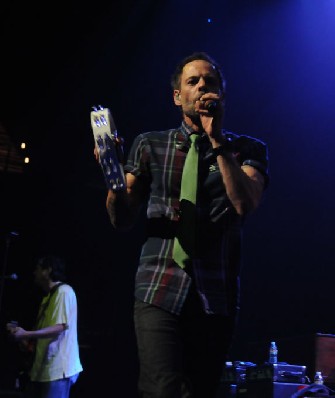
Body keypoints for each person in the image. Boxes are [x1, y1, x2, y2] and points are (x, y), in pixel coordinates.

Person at [100, 51, 269, 397]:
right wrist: (113, 175)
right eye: (193, 81)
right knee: (162, 390)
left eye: (211, 81)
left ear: (222, 94)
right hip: (158, 286)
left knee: (201, 390)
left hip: (216, 291)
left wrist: (217, 140)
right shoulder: (150, 144)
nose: (203, 86)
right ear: (178, 96)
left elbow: (244, 203)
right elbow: (122, 218)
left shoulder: (248, 149)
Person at [5, 255, 83, 398]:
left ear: (48, 271)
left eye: (38, 268)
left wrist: (25, 334)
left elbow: (59, 328)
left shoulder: (64, 291)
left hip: (57, 371)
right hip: (43, 370)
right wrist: (24, 341)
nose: (34, 272)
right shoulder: (48, 297)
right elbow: (45, 335)